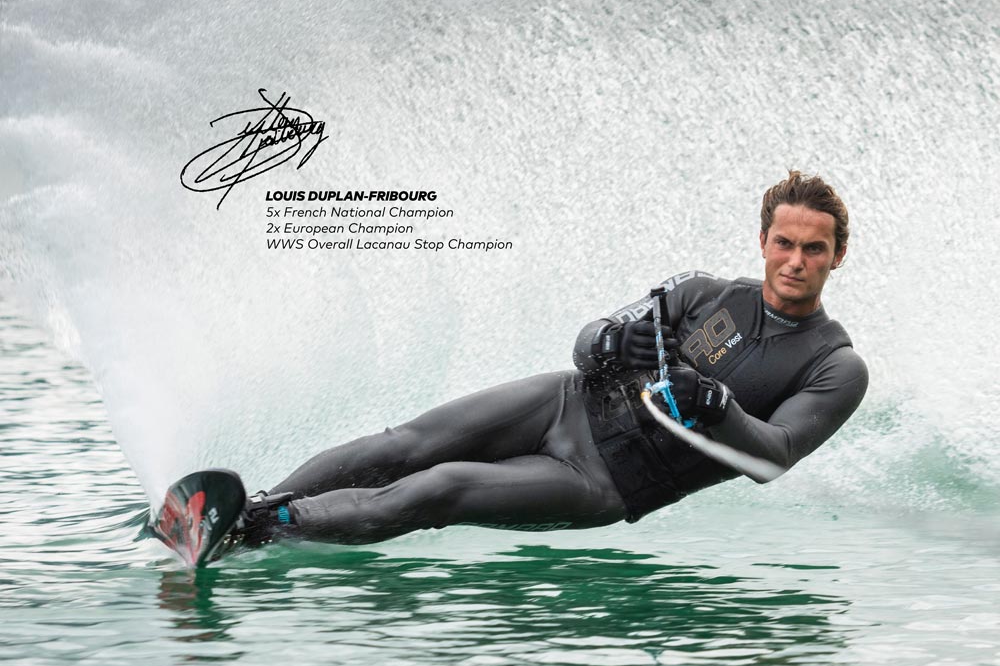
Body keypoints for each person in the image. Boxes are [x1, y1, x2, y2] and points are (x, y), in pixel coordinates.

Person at [232, 170, 868, 548]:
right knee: (407, 442)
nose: (794, 261)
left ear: (836, 256)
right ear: (762, 240)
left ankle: (265, 529)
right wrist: (611, 343)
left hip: (608, 480)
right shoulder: (705, 292)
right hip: (565, 403)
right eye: (784, 243)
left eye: (814, 249)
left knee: (441, 487)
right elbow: (590, 337)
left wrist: (716, 407)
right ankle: (253, 506)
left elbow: (774, 457)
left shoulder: (834, 365)